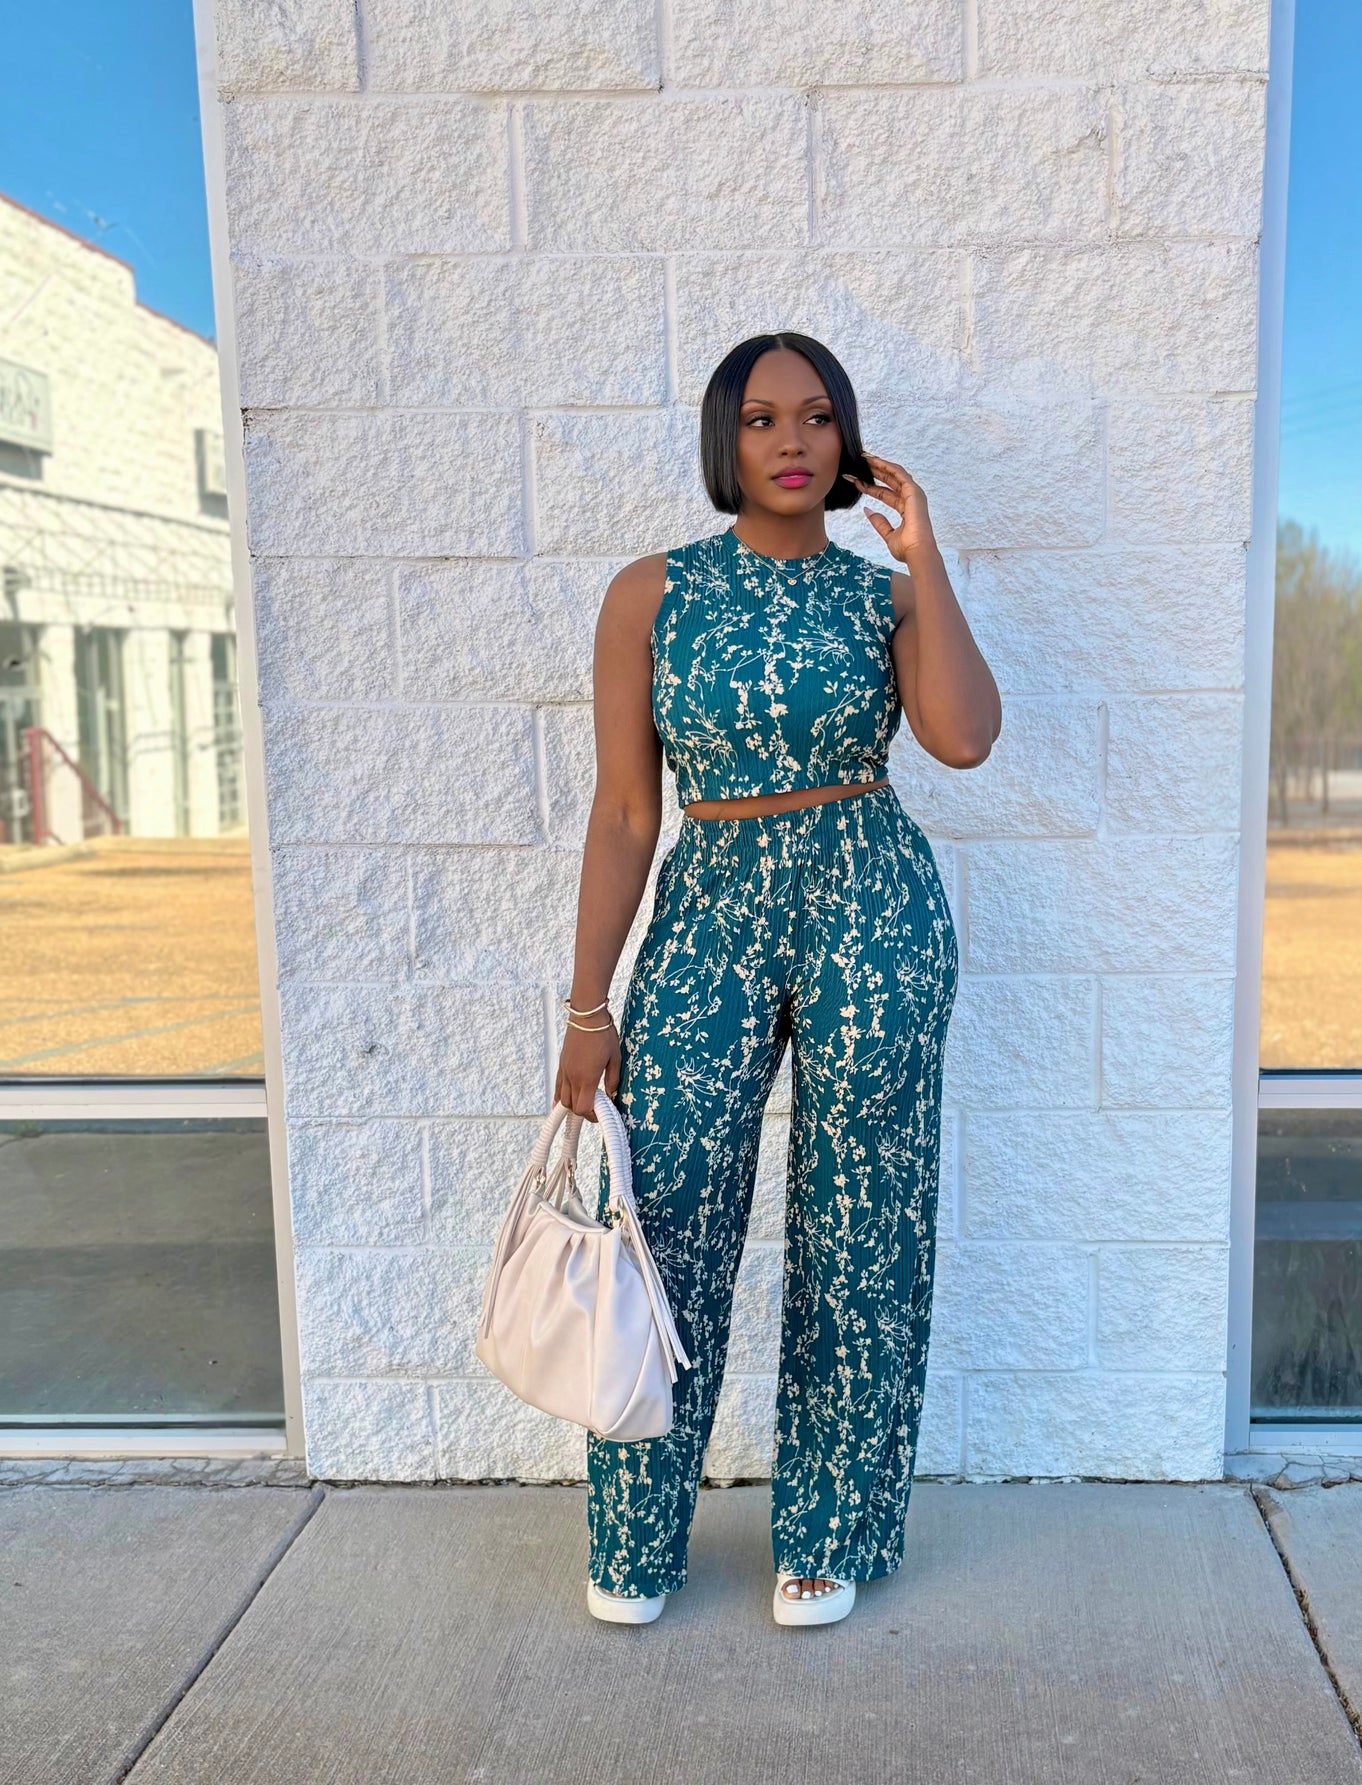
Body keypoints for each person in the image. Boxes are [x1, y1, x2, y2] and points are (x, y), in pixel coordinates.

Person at [553, 331, 1001, 1627]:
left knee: (865, 1222)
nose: (791, 440)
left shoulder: (884, 598)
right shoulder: (652, 594)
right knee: (668, 1209)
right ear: (726, 439)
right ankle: (636, 1538)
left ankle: (828, 1535)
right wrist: (589, 1004)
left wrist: (925, 559)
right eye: (760, 418)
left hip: (874, 905)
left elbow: (965, 738)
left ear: (847, 439)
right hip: (710, 906)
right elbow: (625, 812)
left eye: (816, 416)